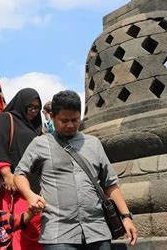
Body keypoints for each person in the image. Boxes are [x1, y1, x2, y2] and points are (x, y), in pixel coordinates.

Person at [14, 90, 138, 249]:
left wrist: (126, 217)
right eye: (64, 120)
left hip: (96, 230)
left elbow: (110, 183)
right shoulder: (40, 144)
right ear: (52, 117)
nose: (70, 125)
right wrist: (30, 195)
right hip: (58, 232)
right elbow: (19, 173)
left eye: (75, 119)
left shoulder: (93, 144)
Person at [0, 88, 43, 250]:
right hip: (14, 190)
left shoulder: (35, 127)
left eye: (37, 108)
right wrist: (7, 174)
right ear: (21, 104)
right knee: (17, 231)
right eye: (30, 107)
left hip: (35, 187)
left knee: (35, 234)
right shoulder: (5, 119)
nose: (33, 111)